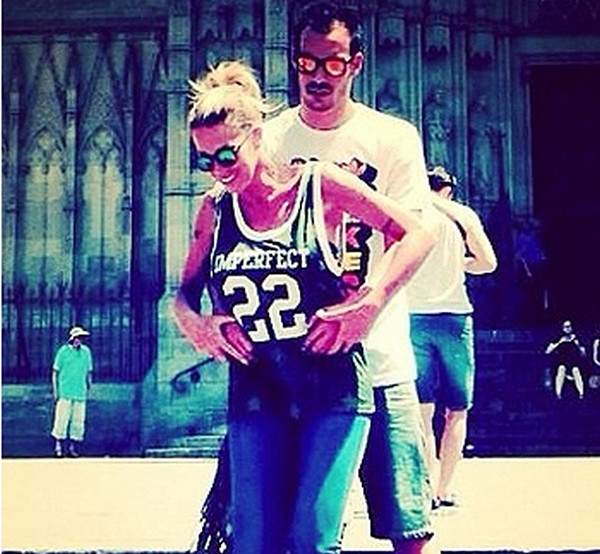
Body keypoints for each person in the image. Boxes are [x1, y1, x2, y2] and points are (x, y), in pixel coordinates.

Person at [173, 60, 433, 554]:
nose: (219, 170)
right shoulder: (215, 208)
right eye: (206, 161)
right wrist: (197, 322)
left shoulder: (319, 185)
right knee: (253, 544)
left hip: (332, 388)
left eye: (226, 155)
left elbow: (416, 233)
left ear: (256, 136)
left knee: (312, 540)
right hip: (257, 390)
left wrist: (371, 301)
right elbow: (185, 291)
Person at [262, 3, 437, 552]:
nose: (318, 75)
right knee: (301, 535)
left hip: (381, 358)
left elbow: (416, 233)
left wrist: (368, 306)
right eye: (307, 62)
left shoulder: (392, 137)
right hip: (293, 368)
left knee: (410, 531)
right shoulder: (268, 141)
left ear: (356, 64)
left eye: (333, 63)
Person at [407, 166, 497, 510]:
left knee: (421, 410)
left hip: (413, 315)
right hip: (454, 317)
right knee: (457, 409)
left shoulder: (408, 210)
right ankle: (445, 488)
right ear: (448, 189)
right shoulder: (462, 216)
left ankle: (425, 487)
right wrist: (459, 263)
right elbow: (488, 263)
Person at [50, 325, 93, 458]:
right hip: (65, 392)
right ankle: (58, 447)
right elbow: (55, 372)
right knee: (61, 419)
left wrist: (89, 386)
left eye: (81, 338)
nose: (79, 340)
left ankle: (72, 448)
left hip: (80, 392)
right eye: (77, 337)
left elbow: (89, 372)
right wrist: (55, 391)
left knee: (78, 422)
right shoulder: (63, 352)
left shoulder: (86, 352)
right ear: (72, 338)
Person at [545, 319, 586, 400]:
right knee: (561, 368)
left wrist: (577, 345)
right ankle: (558, 394)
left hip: (574, 363)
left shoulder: (577, 338)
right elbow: (547, 351)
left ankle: (581, 394)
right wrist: (560, 342)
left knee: (575, 370)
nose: (568, 329)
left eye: (569, 326)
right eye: (566, 327)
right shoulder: (557, 338)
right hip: (560, 363)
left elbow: (584, 354)